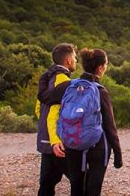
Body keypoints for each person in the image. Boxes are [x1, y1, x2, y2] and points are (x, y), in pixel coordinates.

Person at [63, 48, 123, 196]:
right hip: (98, 146)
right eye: (106, 65)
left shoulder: (71, 86)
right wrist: (118, 154)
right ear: (101, 68)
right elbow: (110, 127)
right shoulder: (100, 91)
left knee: (76, 188)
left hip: (73, 143)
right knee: (93, 190)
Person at [35, 43, 77, 196]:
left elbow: (38, 109)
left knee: (46, 185)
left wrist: (46, 130)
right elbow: (54, 112)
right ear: (68, 61)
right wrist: (55, 139)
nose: (76, 61)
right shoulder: (62, 80)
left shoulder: (47, 79)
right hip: (58, 143)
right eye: (74, 57)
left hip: (46, 141)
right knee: (80, 182)